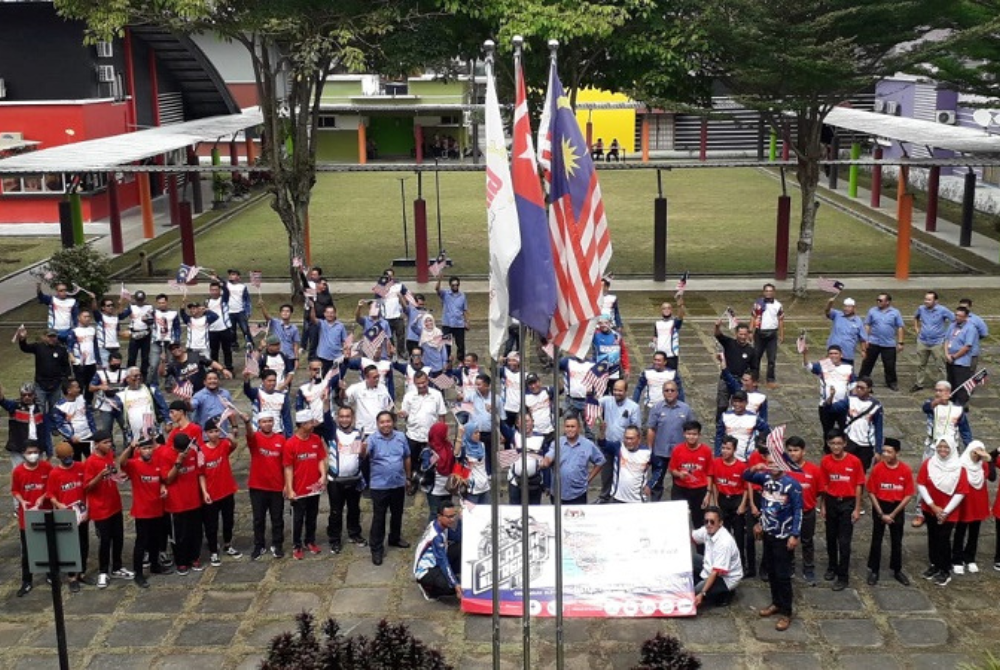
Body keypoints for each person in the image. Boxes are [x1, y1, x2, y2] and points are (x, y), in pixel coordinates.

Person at [743, 451, 803, 632]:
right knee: (771, 571)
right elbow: (745, 476)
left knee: (783, 574)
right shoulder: (765, 479)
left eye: (776, 463)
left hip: (783, 535)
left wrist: (794, 534)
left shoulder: (792, 485)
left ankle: (786, 612)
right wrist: (755, 468)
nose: (772, 467)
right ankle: (776, 602)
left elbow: (798, 511)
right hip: (768, 533)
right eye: (769, 463)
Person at [84, 430, 134, 587]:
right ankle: (103, 571)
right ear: (96, 444)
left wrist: (119, 477)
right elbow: (87, 487)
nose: (109, 445)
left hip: (114, 504)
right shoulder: (90, 462)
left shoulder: (110, 455)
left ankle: (117, 567)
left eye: (110, 441)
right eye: (105, 442)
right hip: (100, 509)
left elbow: (113, 473)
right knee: (105, 541)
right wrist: (100, 476)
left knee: (118, 537)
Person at [916, 436, 969, 586]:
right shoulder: (929, 463)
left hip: (949, 512)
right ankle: (934, 564)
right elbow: (921, 484)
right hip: (930, 509)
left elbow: (961, 492)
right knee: (932, 537)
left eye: (946, 447)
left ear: (952, 449)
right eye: (940, 446)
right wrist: (933, 506)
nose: (942, 450)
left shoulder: (959, 469)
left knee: (943, 540)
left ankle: (945, 570)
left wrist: (944, 512)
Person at [119, 438, 171, 588]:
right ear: (139, 450)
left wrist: (163, 487)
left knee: (156, 540)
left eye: (150, 448)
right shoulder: (134, 464)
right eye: (144, 448)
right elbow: (122, 462)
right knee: (141, 543)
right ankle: (139, 574)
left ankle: (155, 565)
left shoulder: (157, 462)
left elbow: (162, 479)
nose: (148, 451)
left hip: (157, 508)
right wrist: (130, 448)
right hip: (142, 511)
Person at [818, 430, 864, 591]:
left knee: (844, 542)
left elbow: (859, 485)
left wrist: (857, 508)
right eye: (832, 444)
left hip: (847, 503)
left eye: (839, 443)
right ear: (828, 444)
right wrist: (823, 506)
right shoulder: (825, 461)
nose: (836, 447)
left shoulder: (854, 462)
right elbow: (824, 485)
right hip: (831, 502)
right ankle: (832, 566)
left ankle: (843, 576)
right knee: (830, 538)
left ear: (844, 443)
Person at [865, 437, 913, 586]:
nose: (885, 454)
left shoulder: (905, 470)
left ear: (897, 453)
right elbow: (871, 491)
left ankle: (897, 569)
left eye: (889, 452)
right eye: (884, 451)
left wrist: (893, 514)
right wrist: (880, 513)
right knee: (876, 539)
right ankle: (874, 570)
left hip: (896, 507)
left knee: (897, 540)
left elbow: (908, 494)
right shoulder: (878, 469)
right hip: (880, 505)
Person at [321, 404, 368, 552]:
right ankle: (334, 539)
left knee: (354, 509)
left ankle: (354, 534)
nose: (344, 419)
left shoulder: (358, 433)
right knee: (336, 511)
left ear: (352, 418)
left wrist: (364, 451)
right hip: (335, 481)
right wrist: (325, 402)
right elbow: (326, 418)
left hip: (354, 479)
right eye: (341, 416)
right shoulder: (332, 432)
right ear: (337, 418)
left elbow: (359, 456)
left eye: (348, 416)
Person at [159, 431, 206, 575]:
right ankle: (181, 562)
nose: (186, 452)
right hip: (176, 504)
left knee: (195, 533)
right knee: (179, 535)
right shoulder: (166, 455)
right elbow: (168, 479)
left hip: (194, 501)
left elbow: (199, 472)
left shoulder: (193, 452)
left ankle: (195, 558)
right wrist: (178, 463)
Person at [367, 410, 411, 565]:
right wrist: (360, 450)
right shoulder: (372, 439)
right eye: (382, 422)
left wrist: (408, 477)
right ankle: (376, 548)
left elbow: (406, 456)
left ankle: (395, 538)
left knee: (397, 513)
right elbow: (363, 455)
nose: (385, 425)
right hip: (380, 485)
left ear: (393, 422)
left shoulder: (401, 437)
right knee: (379, 517)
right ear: (377, 424)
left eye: (388, 421)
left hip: (398, 482)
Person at [46, 441, 90, 592]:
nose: (68, 459)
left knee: (84, 543)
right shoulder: (55, 474)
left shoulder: (80, 467)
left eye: (70, 456)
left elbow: (87, 488)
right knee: (70, 546)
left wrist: (87, 508)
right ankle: (72, 577)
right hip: (66, 515)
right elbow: (51, 494)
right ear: (59, 458)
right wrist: (59, 504)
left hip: (81, 513)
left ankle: (82, 572)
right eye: (64, 457)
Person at [283, 410, 327, 560]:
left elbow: (320, 458)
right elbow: (288, 468)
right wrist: (290, 488)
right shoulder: (290, 444)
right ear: (301, 425)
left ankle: (310, 540)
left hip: (314, 487)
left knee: (312, 516)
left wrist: (323, 475)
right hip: (299, 488)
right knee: (298, 518)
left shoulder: (316, 439)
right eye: (309, 423)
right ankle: (297, 545)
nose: (313, 425)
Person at [201, 416, 244, 566]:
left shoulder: (224, 444)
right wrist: (204, 492)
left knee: (228, 521)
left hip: (227, 490)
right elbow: (200, 474)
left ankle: (228, 544)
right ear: (206, 433)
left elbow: (234, 445)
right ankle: (213, 551)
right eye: (211, 432)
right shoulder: (202, 451)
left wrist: (231, 438)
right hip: (211, 494)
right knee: (211, 524)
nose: (214, 434)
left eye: (216, 431)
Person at [11, 441, 51, 597]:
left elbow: (51, 487)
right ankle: (26, 581)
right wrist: (22, 501)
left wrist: (42, 498)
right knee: (27, 552)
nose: (33, 455)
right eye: (29, 452)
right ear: (23, 454)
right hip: (27, 516)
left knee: (48, 547)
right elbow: (15, 490)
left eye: (35, 452)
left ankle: (50, 574)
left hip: (45, 513)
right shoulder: (18, 471)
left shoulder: (46, 467)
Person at [646, 381, 696, 501]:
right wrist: (649, 449)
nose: (669, 393)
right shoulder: (656, 408)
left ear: (677, 392)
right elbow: (651, 429)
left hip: (679, 454)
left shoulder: (685, 409)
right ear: (663, 392)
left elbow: (692, 430)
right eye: (666, 390)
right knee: (656, 482)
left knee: (680, 482)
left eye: (672, 390)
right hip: (660, 452)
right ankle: (655, 505)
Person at [399, 370, 448, 494]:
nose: (421, 385)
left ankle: (428, 483)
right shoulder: (409, 396)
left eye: (423, 382)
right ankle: (412, 482)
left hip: (431, 436)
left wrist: (442, 434)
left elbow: (442, 415)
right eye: (418, 383)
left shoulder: (436, 395)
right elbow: (405, 412)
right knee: (411, 460)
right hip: (413, 434)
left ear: (427, 381)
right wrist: (403, 414)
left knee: (431, 462)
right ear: (414, 383)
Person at [246, 411, 287, 560]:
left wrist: (286, 485)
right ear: (259, 423)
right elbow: (249, 435)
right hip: (258, 486)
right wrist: (246, 422)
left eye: (270, 421)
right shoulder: (255, 438)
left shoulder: (281, 439)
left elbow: (285, 464)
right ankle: (259, 545)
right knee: (258, 518)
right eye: (264, 421)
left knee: (277, 518)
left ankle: (277, 544)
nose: (267, 424)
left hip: (276, 486)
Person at [784, 436, 823, 585]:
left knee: (807, 541)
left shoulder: (814, 470)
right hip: (788, 513)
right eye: (789, 450)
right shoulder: (784, 470)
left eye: (796, 450)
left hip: (807, 511)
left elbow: (819, 491)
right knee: (788, 541)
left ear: (803, 451)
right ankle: (789, 566)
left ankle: (808, 568)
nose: (792, 453)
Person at [541, 415, 605, 505]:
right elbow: (550, 455)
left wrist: (588, 479)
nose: (570, 429)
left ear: (578, 428)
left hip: (578, 494)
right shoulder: (557, 443)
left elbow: (600, 461)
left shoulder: (587, 445)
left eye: (573, 426)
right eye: (567, 426)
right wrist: (546, 461)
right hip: (557, 493)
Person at [596, 380, 641, 502]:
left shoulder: (634, 407)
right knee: (606, 472)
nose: (617, 392)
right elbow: (593, 403)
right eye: (615, 390)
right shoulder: (606, 401)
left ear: (626, 391)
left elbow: (636, 428)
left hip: (624, 447)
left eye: (620, 390)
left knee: (623, 474)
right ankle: (604, 496)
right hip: (607, 443)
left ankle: (620, 497)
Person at [827, 376, 883, 472]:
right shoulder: (850, 400)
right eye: (857, 387)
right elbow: (832, 409)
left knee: (861, 470)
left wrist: (878, 450)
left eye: (862, 388)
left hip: (866, 443)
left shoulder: (876, 406)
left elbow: (879, 428)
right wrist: (831, 397)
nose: (859, 390)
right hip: (850, 439)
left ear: (869, 389)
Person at [691, 506, 743, 608]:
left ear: (720, 523)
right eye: (706, 521)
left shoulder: (724, 542)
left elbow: (715, 572)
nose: (708, 524)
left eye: (712, 522)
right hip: (711, 566)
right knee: (690, 559)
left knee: (695, 591)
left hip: (725, 577)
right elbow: (691, 536)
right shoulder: (706, 530)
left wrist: (702, 594)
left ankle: (726, 592)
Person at [711, 436, 749, 571]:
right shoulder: (716, 463)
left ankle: (741, 563)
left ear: (734, 450)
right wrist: (716, 502)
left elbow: (746, 488)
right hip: (722, 500)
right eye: (723, 448)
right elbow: (714, 483)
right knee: (723, 535)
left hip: (736, 500)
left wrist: (742, 505)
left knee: (739, 535)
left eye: (728, 448)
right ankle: (724, 563)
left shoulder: (741, 466)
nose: (725, 451)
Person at [952, 440, 990, 575]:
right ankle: (957, 558)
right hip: (965, 503)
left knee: (975, 531)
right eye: (975, 452)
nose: (977, 455)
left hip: (978, 503)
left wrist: (987, 458)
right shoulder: (961, 466)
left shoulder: (983, 466)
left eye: (980, 452)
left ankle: (970, 557)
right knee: (960, 530)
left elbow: (991, 476)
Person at [413, 501, 463, 601]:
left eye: (454, 516)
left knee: (460, 547)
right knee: (451, 587)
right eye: (449, 517)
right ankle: (430, 591)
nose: (452, 519)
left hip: (437, 560)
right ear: (439, 516)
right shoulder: (436, 536)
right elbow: (443, 561)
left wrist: (461, 521)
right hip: (426, 571)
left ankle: (451, 576)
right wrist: (456, 585)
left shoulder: (442, 525)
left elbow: (457, 537)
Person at [803, 343, 855, 438]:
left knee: (845, 431)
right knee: (827, 431)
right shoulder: (823, 366)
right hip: (825, 405)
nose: (833, 356)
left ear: (841, 355)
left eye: (836, 353)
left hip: (843, 405)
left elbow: (853, 386)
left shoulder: (848, 368)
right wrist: (805, 354)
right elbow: (808, 366)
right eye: (831, 353)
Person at [669, 421, 714, 529]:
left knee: (699, 522)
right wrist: (679, 474)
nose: (691, 437)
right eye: (689, 434)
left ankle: (699, 541)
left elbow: (710, 473)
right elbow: (672, 469)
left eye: (694, 434)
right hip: (680, 489)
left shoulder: (706, 451)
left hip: (699, 490)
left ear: (699, 435)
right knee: (678, 520)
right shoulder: (677, 449)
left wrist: (708, 494)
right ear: (684, 434)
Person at [17, 326, 72, 415]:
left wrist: (67, 379)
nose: (52, 339)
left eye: (54, 336)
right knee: (40, 408)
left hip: (56, 385)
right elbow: (25, 348)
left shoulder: (62, 349)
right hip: (40, 384)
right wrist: (22, 339)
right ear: (45, 337)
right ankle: (40, 423)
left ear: (57, 337)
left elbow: (66, 365)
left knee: (55, 409)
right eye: (49, 336)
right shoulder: (38, 347)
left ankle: (53, 423)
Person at [860, 292, 905, 391]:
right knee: (867, 363)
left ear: (887, 302)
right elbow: (867, 325)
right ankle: (862, 381)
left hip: (888, 344)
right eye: (877, 300)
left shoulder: (895, 312)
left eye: (880, 300)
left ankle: (891, 382)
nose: (878, 302)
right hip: (873, 342)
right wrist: (865, 339)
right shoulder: (872, 311)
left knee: (890, 365)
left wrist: (900, 342)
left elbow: (900, 327)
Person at [714, 320, 758, 419]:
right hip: (725, 379)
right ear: (736, 334)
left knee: (739, 406)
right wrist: (717, 327)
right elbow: (718, 335)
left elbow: (755, 369)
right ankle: (720, 425)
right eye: (741, 334)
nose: (743, 337)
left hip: (739, 382)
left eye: (745, 334)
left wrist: (750, 380)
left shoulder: (751, 351)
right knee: (722, 405)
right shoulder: (729, 343)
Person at [911, 291, 954, 393]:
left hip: (937, 342)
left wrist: (948, 333)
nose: (926, 301)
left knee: (940, 366)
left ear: (936, 301)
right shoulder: (921, 309)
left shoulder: (942, 310)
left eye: (929, 300)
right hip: (923, 341)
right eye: (925, 299)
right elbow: (915, 317)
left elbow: (954, 320)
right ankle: (919, 383)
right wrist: (916, 328)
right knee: (920, 364)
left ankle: (942, 386)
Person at [1, 383, 51, 464]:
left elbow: (46, 430)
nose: (26, 397)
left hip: (37, 446)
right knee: (19, 470)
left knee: (36, 470)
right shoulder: (15, 406)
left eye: (29, 395)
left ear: (34, 395)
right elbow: (4, 402)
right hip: (18, 447)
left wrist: (49, 450)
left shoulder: (40, 408)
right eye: (24, 395)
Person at [715, 390, 769, 462]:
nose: (737, 404)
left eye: (740, 402)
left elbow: (766, 430)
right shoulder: (725, 416)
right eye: (735, 401)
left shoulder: (753, 418)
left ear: (746, 403)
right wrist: (717, 456)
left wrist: (757, 446)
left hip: (746, 458)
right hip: (728, 458)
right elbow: (719, 437)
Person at [52, 378, 96, 462]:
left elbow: (89, 416)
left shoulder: (82, 399)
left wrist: (94, 431)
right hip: (74, 440)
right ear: (69, 391)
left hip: (88, 437)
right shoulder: (59, 407)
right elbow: (60, 425)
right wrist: (70, 436)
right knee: (76, 463)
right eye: (76, 387)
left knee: (92, 461)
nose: (79, 389)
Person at [633, 351, 685, 422]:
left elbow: (679, 390)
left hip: (667, 406)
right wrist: (634, 404)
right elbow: (638, 388)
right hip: (650, 406)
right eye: (655, 360)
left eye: (659, 360)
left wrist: (682, 406)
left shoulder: (672, 374)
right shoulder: (647, 372)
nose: (656, 362)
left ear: (665, 362)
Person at [89, 352, 128, 445]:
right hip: (105, 406)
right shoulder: (100, 373)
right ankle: (110, 448)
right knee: (106, 430)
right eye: (114, 363)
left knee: (126, 428)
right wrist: (100, 387)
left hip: (121, 405)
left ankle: (127, 447)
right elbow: (90, 388)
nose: (116, 365)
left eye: (118, 364)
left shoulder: (125, 372)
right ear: (109, 362)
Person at [345, 364, 394, 436]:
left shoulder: (383, 388)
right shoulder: (356, 388)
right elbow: (344, 399)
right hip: (364, 431)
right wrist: (342, 390)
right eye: (374, 377)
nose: (377, 379)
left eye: (378, 376)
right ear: (366, 377)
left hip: (380, 430)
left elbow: (389, 407)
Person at [750, 283, 784, 386]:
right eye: (767, 291)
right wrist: (750, 332)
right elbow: (753, 318)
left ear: (774, 292)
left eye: (770, 291)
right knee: (756, 357)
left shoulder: (778, 305)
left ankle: (770, 379)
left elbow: (781, 320)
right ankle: (754, 378)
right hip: (759, 333)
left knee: (771, 359)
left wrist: (781, 334)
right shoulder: (758, 304)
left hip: (772, 334)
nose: (768, 293)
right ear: (763, 292)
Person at [945, 306, 979, 405]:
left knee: (961, 384)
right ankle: (951, 401)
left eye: (960, 316)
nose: (957, 317)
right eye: (956, 315)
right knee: (951, 382)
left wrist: (954, 357)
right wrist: (947, 354)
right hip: (949, 359)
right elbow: (947, 340)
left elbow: (967, 346)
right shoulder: (952, 325)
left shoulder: (970, 328)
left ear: (966, 317)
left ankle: (961, 404)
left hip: (961, 362)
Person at [244, 368, 292, 438]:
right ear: (263, 381)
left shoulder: (282, 396)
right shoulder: (257, 393)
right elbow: (247, 390)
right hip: (260, 433)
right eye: (269, 381)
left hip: (277, 433)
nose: (272, 383)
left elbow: (286, 417)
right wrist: (246, 379)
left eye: (274, 380)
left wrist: (289, 436)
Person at [423, 421, 457, 518]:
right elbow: (424, 468)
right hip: (434, 489)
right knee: (435, 513)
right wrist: (432, 463)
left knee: (447, 515)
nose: (448, 433)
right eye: (446, 431)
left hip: (447, 487)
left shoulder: (449, 446)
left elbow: (455, 460)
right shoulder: (428, 450)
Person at [149, 294, 181, 387]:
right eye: (159, 303)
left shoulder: (173, 313)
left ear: (167, 302)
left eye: (163, 302)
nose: (161, 304)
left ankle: (169, 381)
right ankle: (154, 383)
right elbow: (146, 321)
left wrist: (177, 339)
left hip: (170, 341)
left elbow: (177, 327)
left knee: (170, 362)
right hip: (156, 341)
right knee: (154, 363)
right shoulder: (153, 312)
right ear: (156, 303)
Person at [824, 295, 867, 366]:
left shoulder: (858, 321)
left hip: (847, 354)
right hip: (833, 353)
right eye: (845, 306)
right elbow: (827, 312)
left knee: (847, 371)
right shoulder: (837, 315)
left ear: (854, 308)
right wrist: (829, 304)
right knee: (829, 371)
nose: (846, 309)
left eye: (849, 307)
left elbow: (862, 338)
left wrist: (863, 350)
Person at [68, 310, 100, 402]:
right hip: (79, 362)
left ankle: (88, 403)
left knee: (90, 384)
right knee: (80, 385)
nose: (87, 319)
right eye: (85, 317)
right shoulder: (74, 331)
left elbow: (95, 346)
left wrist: (98, 361)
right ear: (79, 318)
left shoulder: (92, 330)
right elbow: (69, 346)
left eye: (88, 316)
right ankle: (79, 402)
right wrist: (72, 357)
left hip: (91, 362)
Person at [435, 275, 468, 361]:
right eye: (453, 285)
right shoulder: (445, 294)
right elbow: (437, 289)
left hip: (459, 324)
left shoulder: (462, 296)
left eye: (457, 285)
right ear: (450, 285)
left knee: (460, 344)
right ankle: (446, 360)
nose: (455, 287)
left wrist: (466, 321)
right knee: (446, 344)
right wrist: (439, 280)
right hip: (447, 323)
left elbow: (464, 309)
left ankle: (461, 360)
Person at [311, 304, 349, 378]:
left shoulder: (340, 326)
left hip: (336, 358)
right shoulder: (321, 323)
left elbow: (345, 341)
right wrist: (312, 307)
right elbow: (313, 318)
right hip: (322, 357)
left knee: (334, 379)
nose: (330, 315)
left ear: (335, 314)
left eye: (331, 313)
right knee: (319, 378)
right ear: (324, 314)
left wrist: (346, 352)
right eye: (327, 313)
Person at [125, 290, 155, 380]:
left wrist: (147, 320)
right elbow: (122, 315)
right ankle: (129, 376)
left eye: (141, 300)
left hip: (145, 333)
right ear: (135, 299)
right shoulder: (131, 307)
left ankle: (143, 377)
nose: (140, 302)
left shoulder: (149, 307)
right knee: (131, 357)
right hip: (135, 333)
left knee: (145, 358)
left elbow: (153, 321)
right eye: (138, 300)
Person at [225, 269, 254, 350]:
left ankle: (249, 343)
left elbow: (247, 300)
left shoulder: (242, 287)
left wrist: (248, 311)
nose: (231, 276)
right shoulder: (226, 285)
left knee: (245, 329)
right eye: (230, 274)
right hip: (229, 312)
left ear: (238, 276)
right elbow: (219, 282)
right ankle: (234, 344)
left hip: (240, 311)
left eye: (233, 274)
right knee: (232, 330)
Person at [957, 297, 988, 371]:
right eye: (961, 307)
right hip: (957, 351)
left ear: (969, 307)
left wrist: (973, 338)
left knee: (970, 372)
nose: (963, 310)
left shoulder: (976, 320)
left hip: (971, 353)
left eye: (965, 307)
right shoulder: (956, 318)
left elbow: (984, 333)